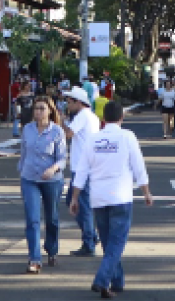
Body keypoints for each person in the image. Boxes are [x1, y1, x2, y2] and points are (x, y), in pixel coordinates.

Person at [70, 101, 153, 299]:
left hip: (98, 197)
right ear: (122, 118)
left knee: (108, 243)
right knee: (116, 243)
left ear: (103, 119)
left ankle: (117, 281)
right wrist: (146, 192)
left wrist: (75, 197)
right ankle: (102, 279)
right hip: (121, 196)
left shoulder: (93, 140)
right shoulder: (127, 136)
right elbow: (138, 166)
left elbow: (81, 170)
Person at [19, 95, 66, 274]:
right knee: (32, 219)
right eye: (36, 108)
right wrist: (21, 171)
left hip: (51, 180)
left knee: (51, 218)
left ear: (50, 111)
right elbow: (23, 153)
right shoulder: (27, 130)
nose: (38, 112)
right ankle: (34, 258)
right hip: (29, 178)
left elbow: (62, 159)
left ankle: (52, 249)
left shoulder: (57, 132)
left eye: (42, 108)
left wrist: (53, 169)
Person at [63, 87, 100, 257]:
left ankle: (89, 241)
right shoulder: (92, 116)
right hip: (88, 166)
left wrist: (60, 121)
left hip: (82, 168)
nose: (67, 105)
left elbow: (68, 134)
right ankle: (91, 235)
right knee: (74, 201)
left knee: (79, 204)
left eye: (69, 102)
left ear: (78, 102)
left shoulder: (82, 116)